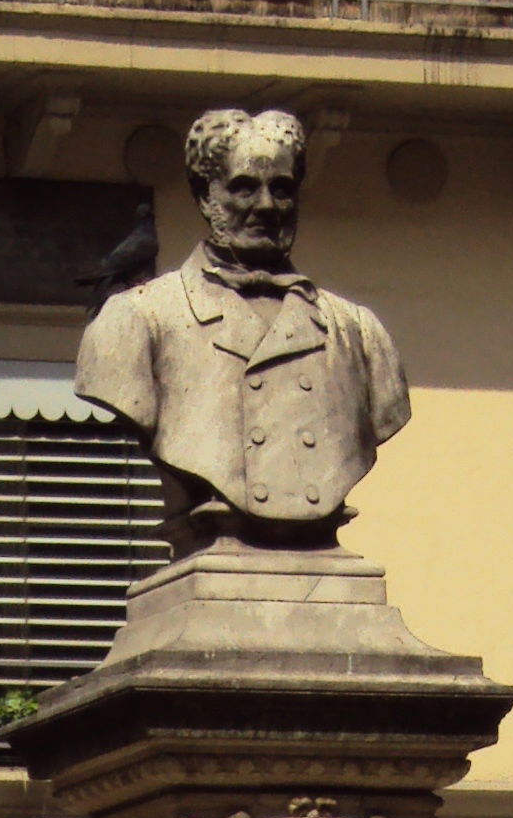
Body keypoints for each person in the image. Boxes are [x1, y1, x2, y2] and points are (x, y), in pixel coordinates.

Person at [73, 104, 409, 547]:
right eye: (244, 188)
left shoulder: (357, 331)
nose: (266, 206)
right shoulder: (138, 319)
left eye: (283, 189)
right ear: (204, 196)